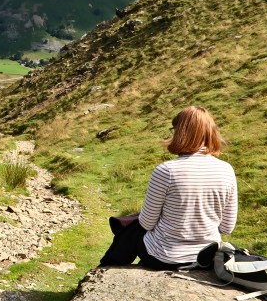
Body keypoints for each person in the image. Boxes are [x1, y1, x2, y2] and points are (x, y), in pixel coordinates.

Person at [100, 106, 238, 270]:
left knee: (133, 227)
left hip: (165, 257)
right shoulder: (227, 170)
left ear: (180, 132)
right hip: (206, 258)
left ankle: (107, 266)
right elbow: (227, 227)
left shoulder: (166, 171)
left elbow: (147, 224)